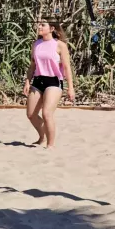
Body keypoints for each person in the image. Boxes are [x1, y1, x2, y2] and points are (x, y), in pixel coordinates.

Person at [24, 18, 74, 149]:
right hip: (38, 80)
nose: (39, 27)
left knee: (46, 113)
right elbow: (32, 66)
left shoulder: (60, 45)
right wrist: (27, 82)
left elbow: (67, 67)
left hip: (54, 81)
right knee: (31, 114)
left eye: (42, 25)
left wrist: (70, 88)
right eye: (39, 24)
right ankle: (43, 137)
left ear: (52, 28)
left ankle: (50, 145)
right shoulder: (36, 44)